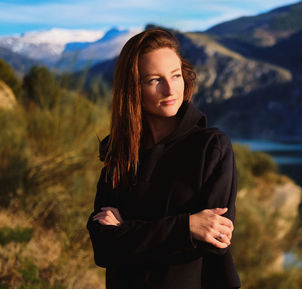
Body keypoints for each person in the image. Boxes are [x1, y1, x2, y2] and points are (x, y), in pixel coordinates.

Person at [86, 28, 241, 289]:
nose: (170, 89)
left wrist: (127, 230)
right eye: (154, 80)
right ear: (133, 88)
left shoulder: (211, 147)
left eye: (176, 75)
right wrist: (187, 226)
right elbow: (104, 248)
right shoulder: (119, 154)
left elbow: (214, 241)